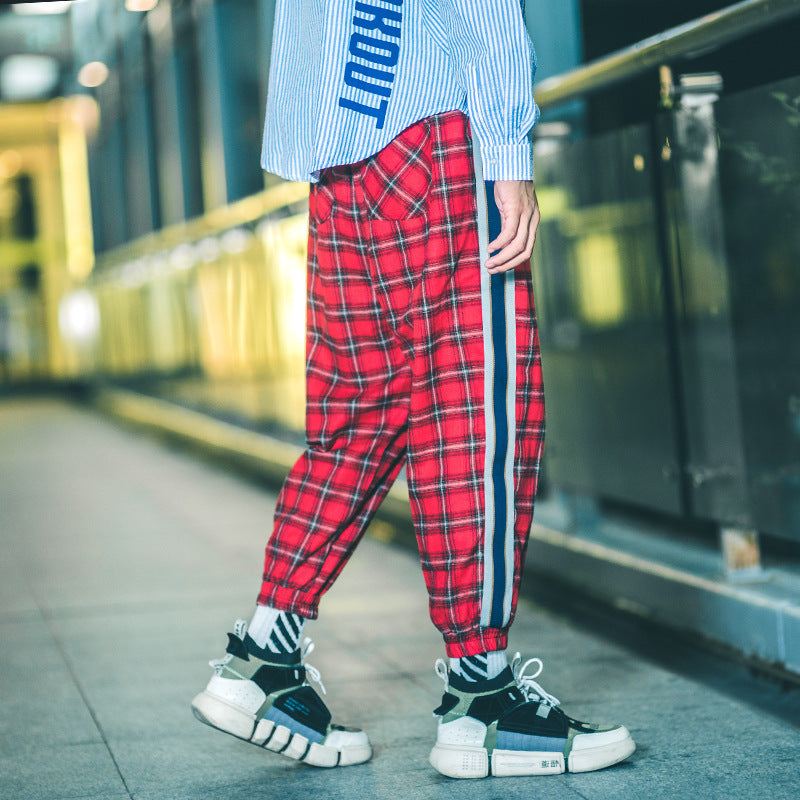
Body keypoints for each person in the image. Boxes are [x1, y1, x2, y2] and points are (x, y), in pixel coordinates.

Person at [191, 0, 635, 779]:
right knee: (475, 409)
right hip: (435, 135)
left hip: (340, 156)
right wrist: (507, 148)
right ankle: (482, 697)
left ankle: (263, 656)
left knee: (362, 416)